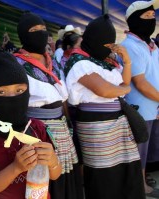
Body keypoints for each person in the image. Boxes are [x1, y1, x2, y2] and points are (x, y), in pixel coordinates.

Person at [64, 15, 145, 199]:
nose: (108, 47)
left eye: (111, 44)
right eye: (104, 43)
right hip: (96, 127)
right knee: (105, 178)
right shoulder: (79, 62)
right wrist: (123, 88)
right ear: (92, 39)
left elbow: (123, 84)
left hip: (118, 125)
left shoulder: (107, 62)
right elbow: (104, 90)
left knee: (126, 172)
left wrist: (127, 61)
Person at [0, 45, 61, 199]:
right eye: (1, 92)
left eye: (19, 91)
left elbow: (55, 174)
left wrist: (52, 160)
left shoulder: (37, 128)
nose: (13, 98)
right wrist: (16, 168)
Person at [14, 12, 83, 199]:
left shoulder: (54, 64)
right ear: (23, 35)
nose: (40, 33)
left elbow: (63, 101)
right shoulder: (16, 64)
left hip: (62, 133)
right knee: (43, 181)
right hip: (38, 134)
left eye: (43, 29)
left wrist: (69, 127)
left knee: (66, 181)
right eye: (34, 30)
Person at [121, 1, 159, 197]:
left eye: (153, 16)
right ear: (134, 20)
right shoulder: (130, 46)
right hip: (140, 109)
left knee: (149, 150)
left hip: (154, 107)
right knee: (139, 151)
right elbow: (140, 82)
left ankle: (143, 180)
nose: (152, 20)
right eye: (147, 17)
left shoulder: (151, 46)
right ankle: (138, 187)